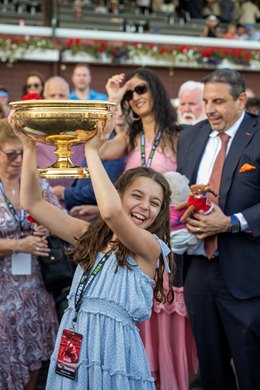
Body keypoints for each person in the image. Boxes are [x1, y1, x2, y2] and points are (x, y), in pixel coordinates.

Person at [9, 112, 173, 389]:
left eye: (155, 202)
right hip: (75, 334)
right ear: (119, 193)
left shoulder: (151, 247)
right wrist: (29, 147)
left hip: (115, 348)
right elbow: (32, 203)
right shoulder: (90, 236)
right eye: (136, 195)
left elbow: (110, 212)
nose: (145, 206)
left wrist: (92, 150)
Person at [101, 68, 198, 390]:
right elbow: (96, 151)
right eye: (130, 94)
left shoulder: (178, 136)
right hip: (130, 242)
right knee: (136, 318)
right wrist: (113, 100)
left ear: (155, 90)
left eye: (140, 89)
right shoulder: (130, 138)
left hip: (167, 244)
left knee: (163, 318)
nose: (135, 97)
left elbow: (196, 187)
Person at [176, 68, 260, 390]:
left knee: (251, 370)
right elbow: (182, 193)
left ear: (241, 99)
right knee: (211, 370)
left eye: (219, 101)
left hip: (245, 272)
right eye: (206, 100)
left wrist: (232, 223)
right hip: (197, 269)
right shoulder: (190, 136)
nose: (209, 108)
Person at [0, 118, 60, 390]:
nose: (18, 159)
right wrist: (16, 245)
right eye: (11, 153)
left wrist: (47, 228)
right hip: (3, 288)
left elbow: (60, 217)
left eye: (22, 153)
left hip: (36, 285)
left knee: (35, 354)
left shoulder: (34, 180)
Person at [36, 76, 85, 190]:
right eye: (52, 95)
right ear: (44, 98)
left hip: (74, 199)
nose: (57, 99)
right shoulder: (34, 129)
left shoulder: (80, 129)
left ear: (68, 98)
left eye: (61, 95)